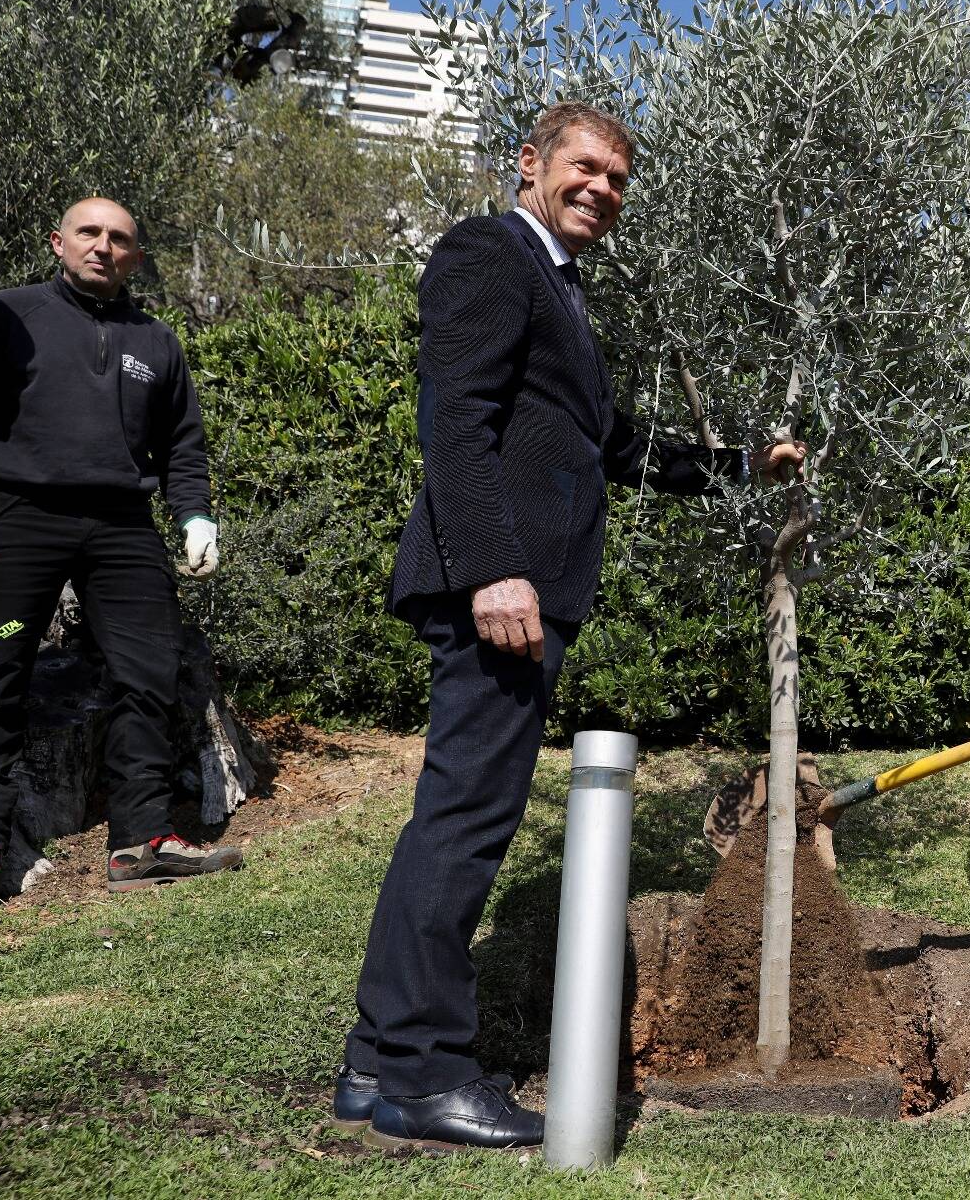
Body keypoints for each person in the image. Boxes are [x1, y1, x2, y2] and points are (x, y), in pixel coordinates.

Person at [337, 103, 804, 1153]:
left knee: (448, 819)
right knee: (465, 823)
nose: (603, 188)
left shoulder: (556, 284)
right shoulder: (487, 252)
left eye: (619, 177)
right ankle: (422, 1072)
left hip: (517, 589)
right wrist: (496, 571)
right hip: (502, 594)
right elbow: (452, 417)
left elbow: (614, 444)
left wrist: (739, 466)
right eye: (585, 167)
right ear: (530, 164)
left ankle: (375, 1062)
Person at [0, 197, 234, 916]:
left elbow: (182, 443)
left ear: (136, 258)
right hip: (20, 514)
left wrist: (196, 517)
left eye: (119, 239)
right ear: (57, 241)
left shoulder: (157, 341)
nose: (102, 246)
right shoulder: (2, 315)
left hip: (123, 524)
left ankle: (141, 840)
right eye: (89, 232)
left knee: (147, 674)